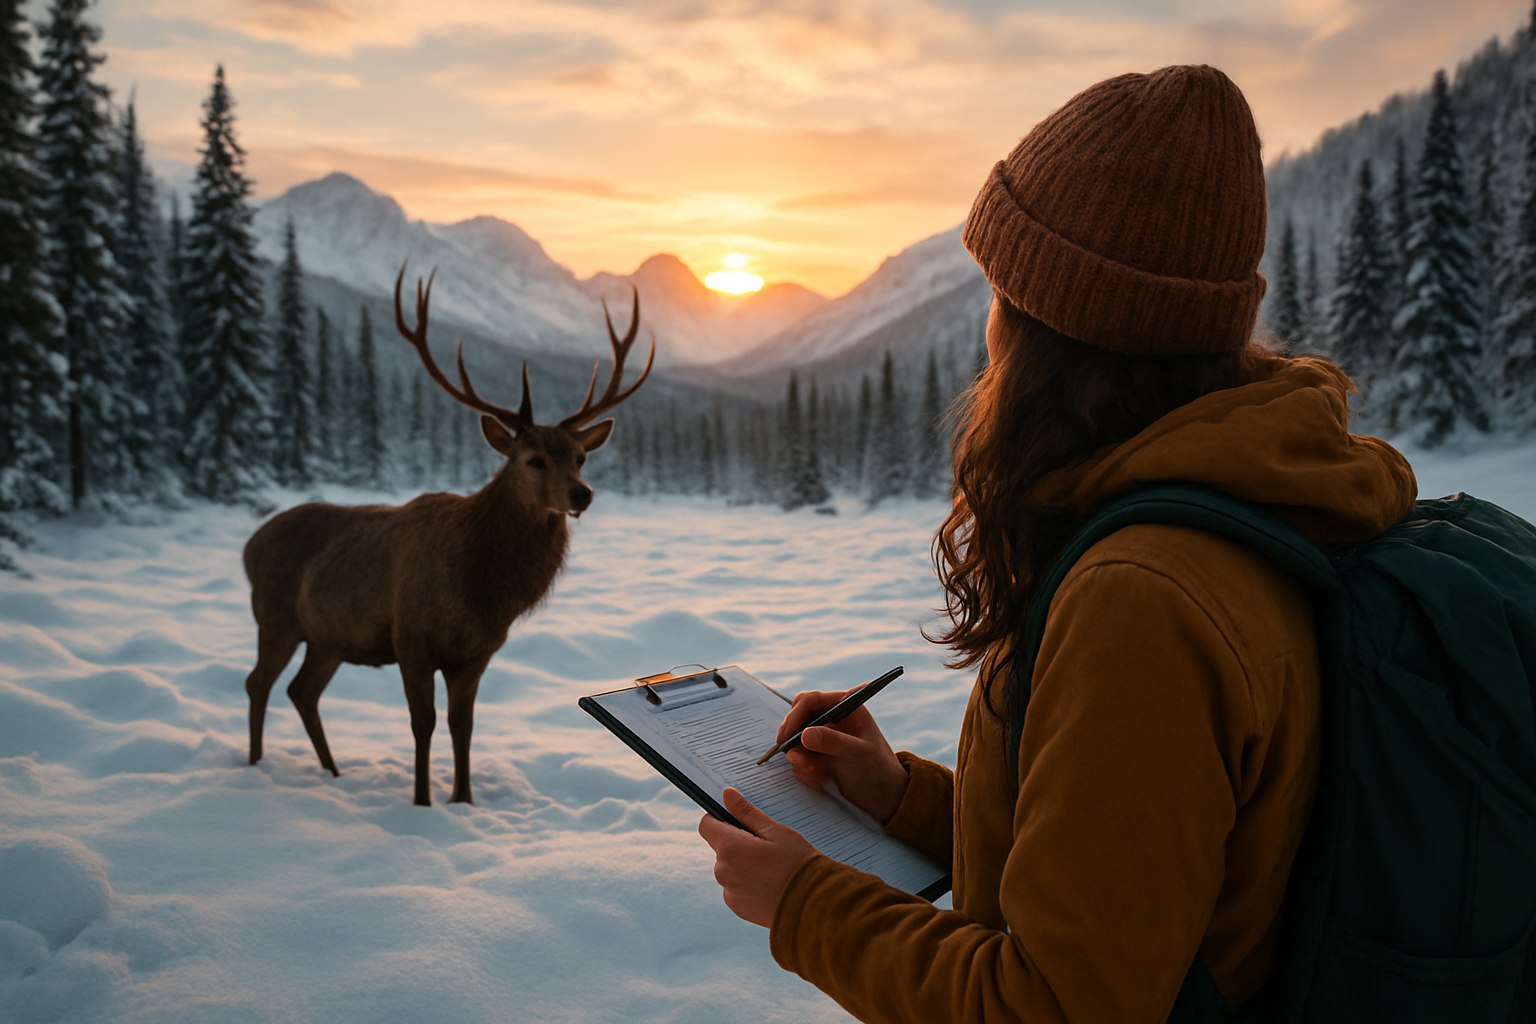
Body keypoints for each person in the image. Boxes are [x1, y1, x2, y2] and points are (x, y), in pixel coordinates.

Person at [697, 64, 1418, 1022]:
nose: (987, 331)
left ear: (1053, 330)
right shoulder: (1243, 508)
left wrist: (807, 906)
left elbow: (1060, 1003)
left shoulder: (1144, 600)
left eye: (1001, 295)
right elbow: (1132, 872)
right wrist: (896, 796)